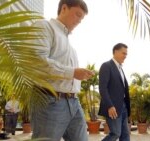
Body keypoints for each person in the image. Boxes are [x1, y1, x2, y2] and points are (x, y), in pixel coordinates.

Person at [32, 0, 94, 140]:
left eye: (82, 18)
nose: (79, 21)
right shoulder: (44, 26)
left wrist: (79, 75)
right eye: (77, 15)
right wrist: (73, 72)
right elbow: (37, 62)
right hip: (50, 102)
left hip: (74, 103)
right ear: (64, 8)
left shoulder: (70, 46)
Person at [98, 43, 131, 141]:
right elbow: (102, 88)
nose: (125, 56)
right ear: (115, 51)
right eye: (123, 53)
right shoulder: (106, 66)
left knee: (125, 135)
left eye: (126, 54)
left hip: (123, 106)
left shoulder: (120, 68)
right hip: (113, 107)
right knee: (115, 133)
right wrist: (110, 106)